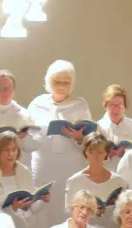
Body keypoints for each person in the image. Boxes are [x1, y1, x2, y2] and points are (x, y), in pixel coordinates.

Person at [27, 60, 93, 213]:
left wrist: (79, 137)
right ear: (49, 81)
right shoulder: (37, 104)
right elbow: (27, 140)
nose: (61, 86)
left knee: (69, 208)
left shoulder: (79, 105)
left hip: (70, 166)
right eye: (57, 81)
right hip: (44, 166)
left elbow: (90, 142)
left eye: (66, 82)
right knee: (42, 210)